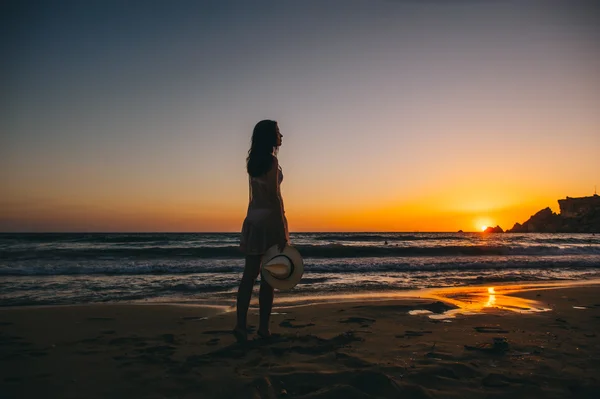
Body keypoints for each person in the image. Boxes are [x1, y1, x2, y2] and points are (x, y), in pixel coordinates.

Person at [234, 119, 289, 342]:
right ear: (269, 136)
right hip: (269, 222)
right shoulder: (272, 161)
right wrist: (283, 227)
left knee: (248, 276)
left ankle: (240, 325)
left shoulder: (252, 162)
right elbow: (275, 196)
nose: (281, 135)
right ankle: (263, 328)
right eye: (277, 132)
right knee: (268, 277)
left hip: (252, 221)